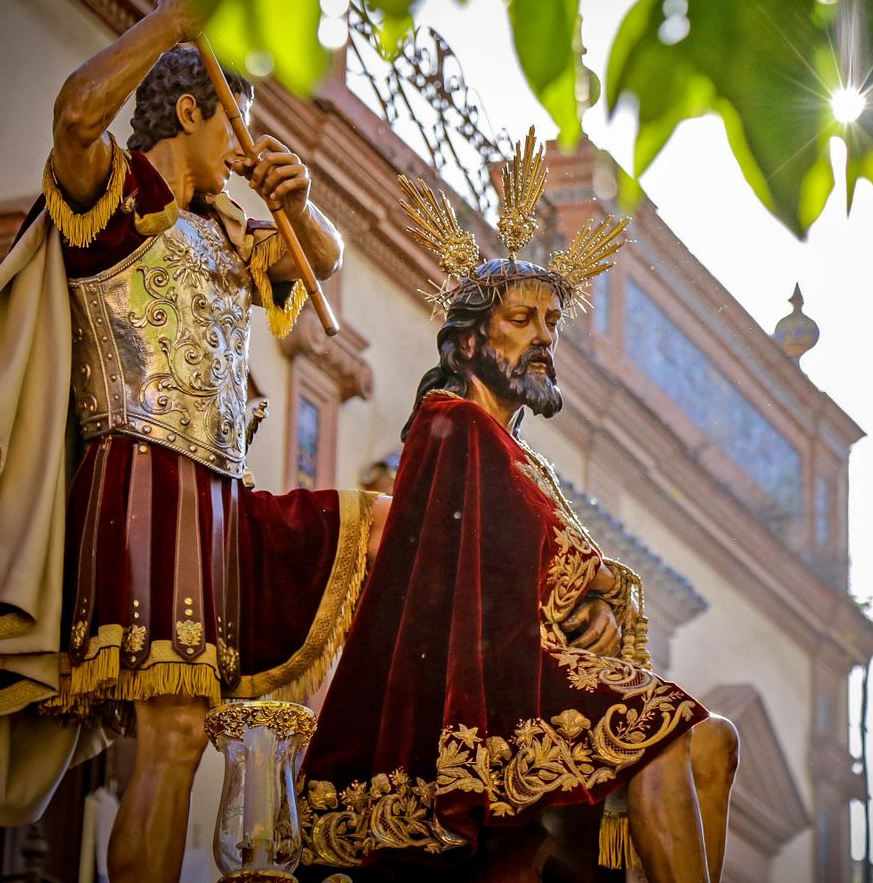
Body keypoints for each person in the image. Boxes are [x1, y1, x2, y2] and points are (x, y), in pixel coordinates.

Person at [0, 0, 388, 883]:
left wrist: (303, 199)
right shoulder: (118, 197)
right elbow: (76, 112)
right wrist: (175, 17)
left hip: (213, 496)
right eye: (232, 127)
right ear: (193, 108)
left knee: (182, 736)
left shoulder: (226, 229)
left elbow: (321, 259)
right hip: (141, 487)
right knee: (171, 727)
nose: (242, 154)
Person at [296, 141, 739, 882]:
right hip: (483, 693)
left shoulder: (520, 457)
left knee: (716, 739)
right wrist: (581, 594)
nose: (542, 337)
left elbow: (547, 568)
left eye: (552, 323)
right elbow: (469, 579)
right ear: (472, 338)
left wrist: (599, 606)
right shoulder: (450, 426)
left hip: (534, 668)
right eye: (523, 318)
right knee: (664, 734)